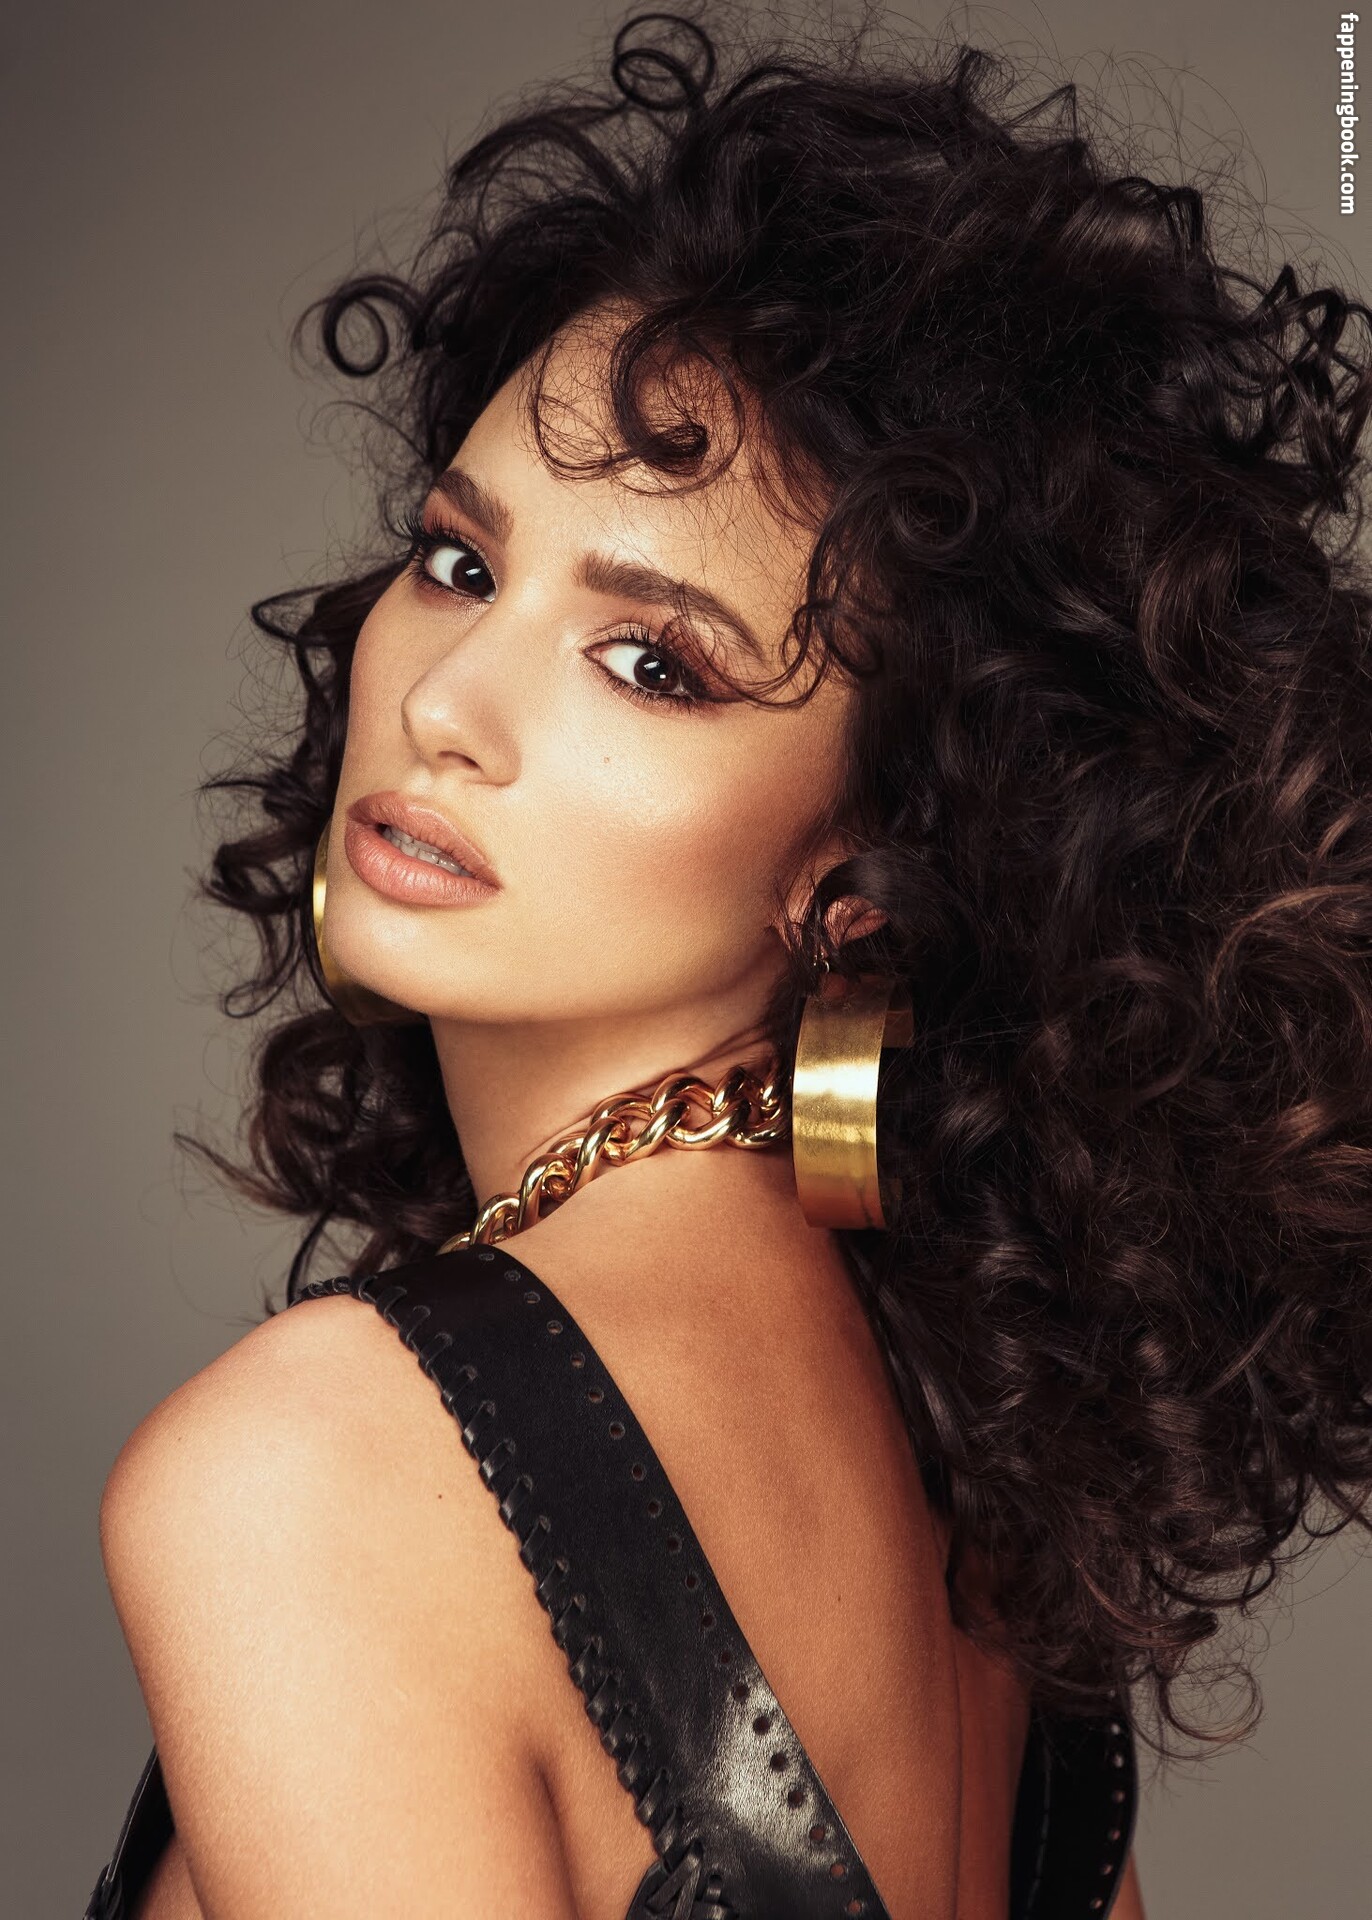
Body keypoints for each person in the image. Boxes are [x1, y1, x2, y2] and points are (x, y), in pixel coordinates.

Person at [85, 9, 1372, 1918]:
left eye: (652, 663)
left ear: (865, 879)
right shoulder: (974, 1469)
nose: (443, 702)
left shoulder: (323, 1470)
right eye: (459, 562)